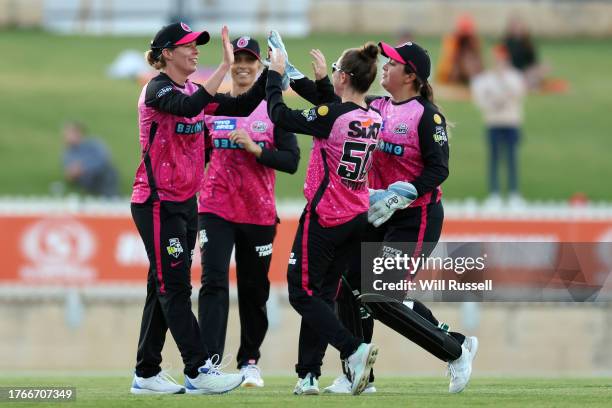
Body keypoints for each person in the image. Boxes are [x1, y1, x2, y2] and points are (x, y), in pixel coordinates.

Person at [274, 33, 478, 394]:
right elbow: (333, 105)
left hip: (415, 218)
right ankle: (358, 376)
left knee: (379, 295)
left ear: (411, 76)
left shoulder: (426, 117)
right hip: (374, 214)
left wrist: (405, 192)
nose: (386, 65)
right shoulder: (377, 108)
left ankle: (456, 350)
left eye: (394, 63)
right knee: (349, 285)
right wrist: (290, 73)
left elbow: (438, 169)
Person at [129, 22, 268, 395]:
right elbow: (190, 107)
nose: (196, 51)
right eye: (189, 46)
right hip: (157, 204)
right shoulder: (157, 89)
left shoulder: (193, 89)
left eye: (198, 46)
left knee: (159, 286)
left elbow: (241, 104)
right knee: (174, 287)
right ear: (167, 53)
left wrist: (273, 75)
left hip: (185, 205)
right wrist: (223, 67)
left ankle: (146, 372)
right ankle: (198, 368)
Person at [266, 40, 383, 396]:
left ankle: (353, 349)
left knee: (301, 292)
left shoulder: (333, 116)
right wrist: (317, 81)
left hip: (325, 217)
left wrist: (274, 75)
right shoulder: (372, 116)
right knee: (322, 296)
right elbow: (330, 111)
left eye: (334, 69)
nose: (331, 72)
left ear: (344, 77)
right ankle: (309, 375)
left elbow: (280, 115)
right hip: (356, 217)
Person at [197, 36, 300, 388]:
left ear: (260, 66)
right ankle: (208, 363)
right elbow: (199, 153)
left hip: (258, 213)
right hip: (215, 208)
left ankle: (249, 360)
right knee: (212, 280)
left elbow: (291, 161)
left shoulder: (273, 108)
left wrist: (256, 150)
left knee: (255, 290)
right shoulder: (215, 105)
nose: (242, 65)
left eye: (249, 60)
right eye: (237, 58)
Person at [471, 45, 526, 207]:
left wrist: (500, 91)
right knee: (494, 159)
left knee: (512, 159)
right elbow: (481, 100)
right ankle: (494, 194)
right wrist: (497, 100)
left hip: (511, 122)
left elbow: (517, 94)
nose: (499, 63)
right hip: (493, 123)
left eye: (502, 60)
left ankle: (514, 193)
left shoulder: (515, 76)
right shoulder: (483, 79)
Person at [62, 121, 119, 197]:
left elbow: (104, 159)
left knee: (108, 172)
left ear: (79, 133)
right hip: (86, 182)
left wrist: (84, 168)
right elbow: (69, 171)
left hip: (101, 177)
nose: (67, 137)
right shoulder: (68, 153)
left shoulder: (93, 145)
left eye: (70, 134)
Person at [435, 14, 483, 85]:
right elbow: (446, 65)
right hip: (449, 78)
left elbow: (480, 64)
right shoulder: (452, 41)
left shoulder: (473, 43)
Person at [503, 16, 548, 91]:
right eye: (514, 26)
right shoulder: (506, 42)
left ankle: (526, 84)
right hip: (511, 72)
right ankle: (525, 84)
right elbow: (503, 61)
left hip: (525, 73)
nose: (517, 29)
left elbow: (533, 62)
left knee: (543, 67)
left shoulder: (528, 43)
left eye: (518, 26)